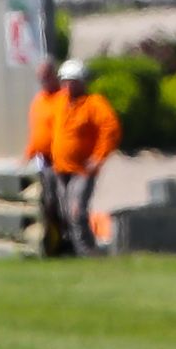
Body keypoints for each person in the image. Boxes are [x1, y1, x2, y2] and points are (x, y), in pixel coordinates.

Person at [29, 58, 120, 256]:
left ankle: (87, 252)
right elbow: (43, 128)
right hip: (60, 168)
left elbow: (110, 130)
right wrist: (33, 152)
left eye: (73, 80)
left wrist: (98, 157)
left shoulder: (93, 103)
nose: (68, 85)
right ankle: (69, 249)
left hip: (82, 171)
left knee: (76, 212)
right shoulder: (59, 102)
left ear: (82, 82)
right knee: (62, 213)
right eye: (65, 80)